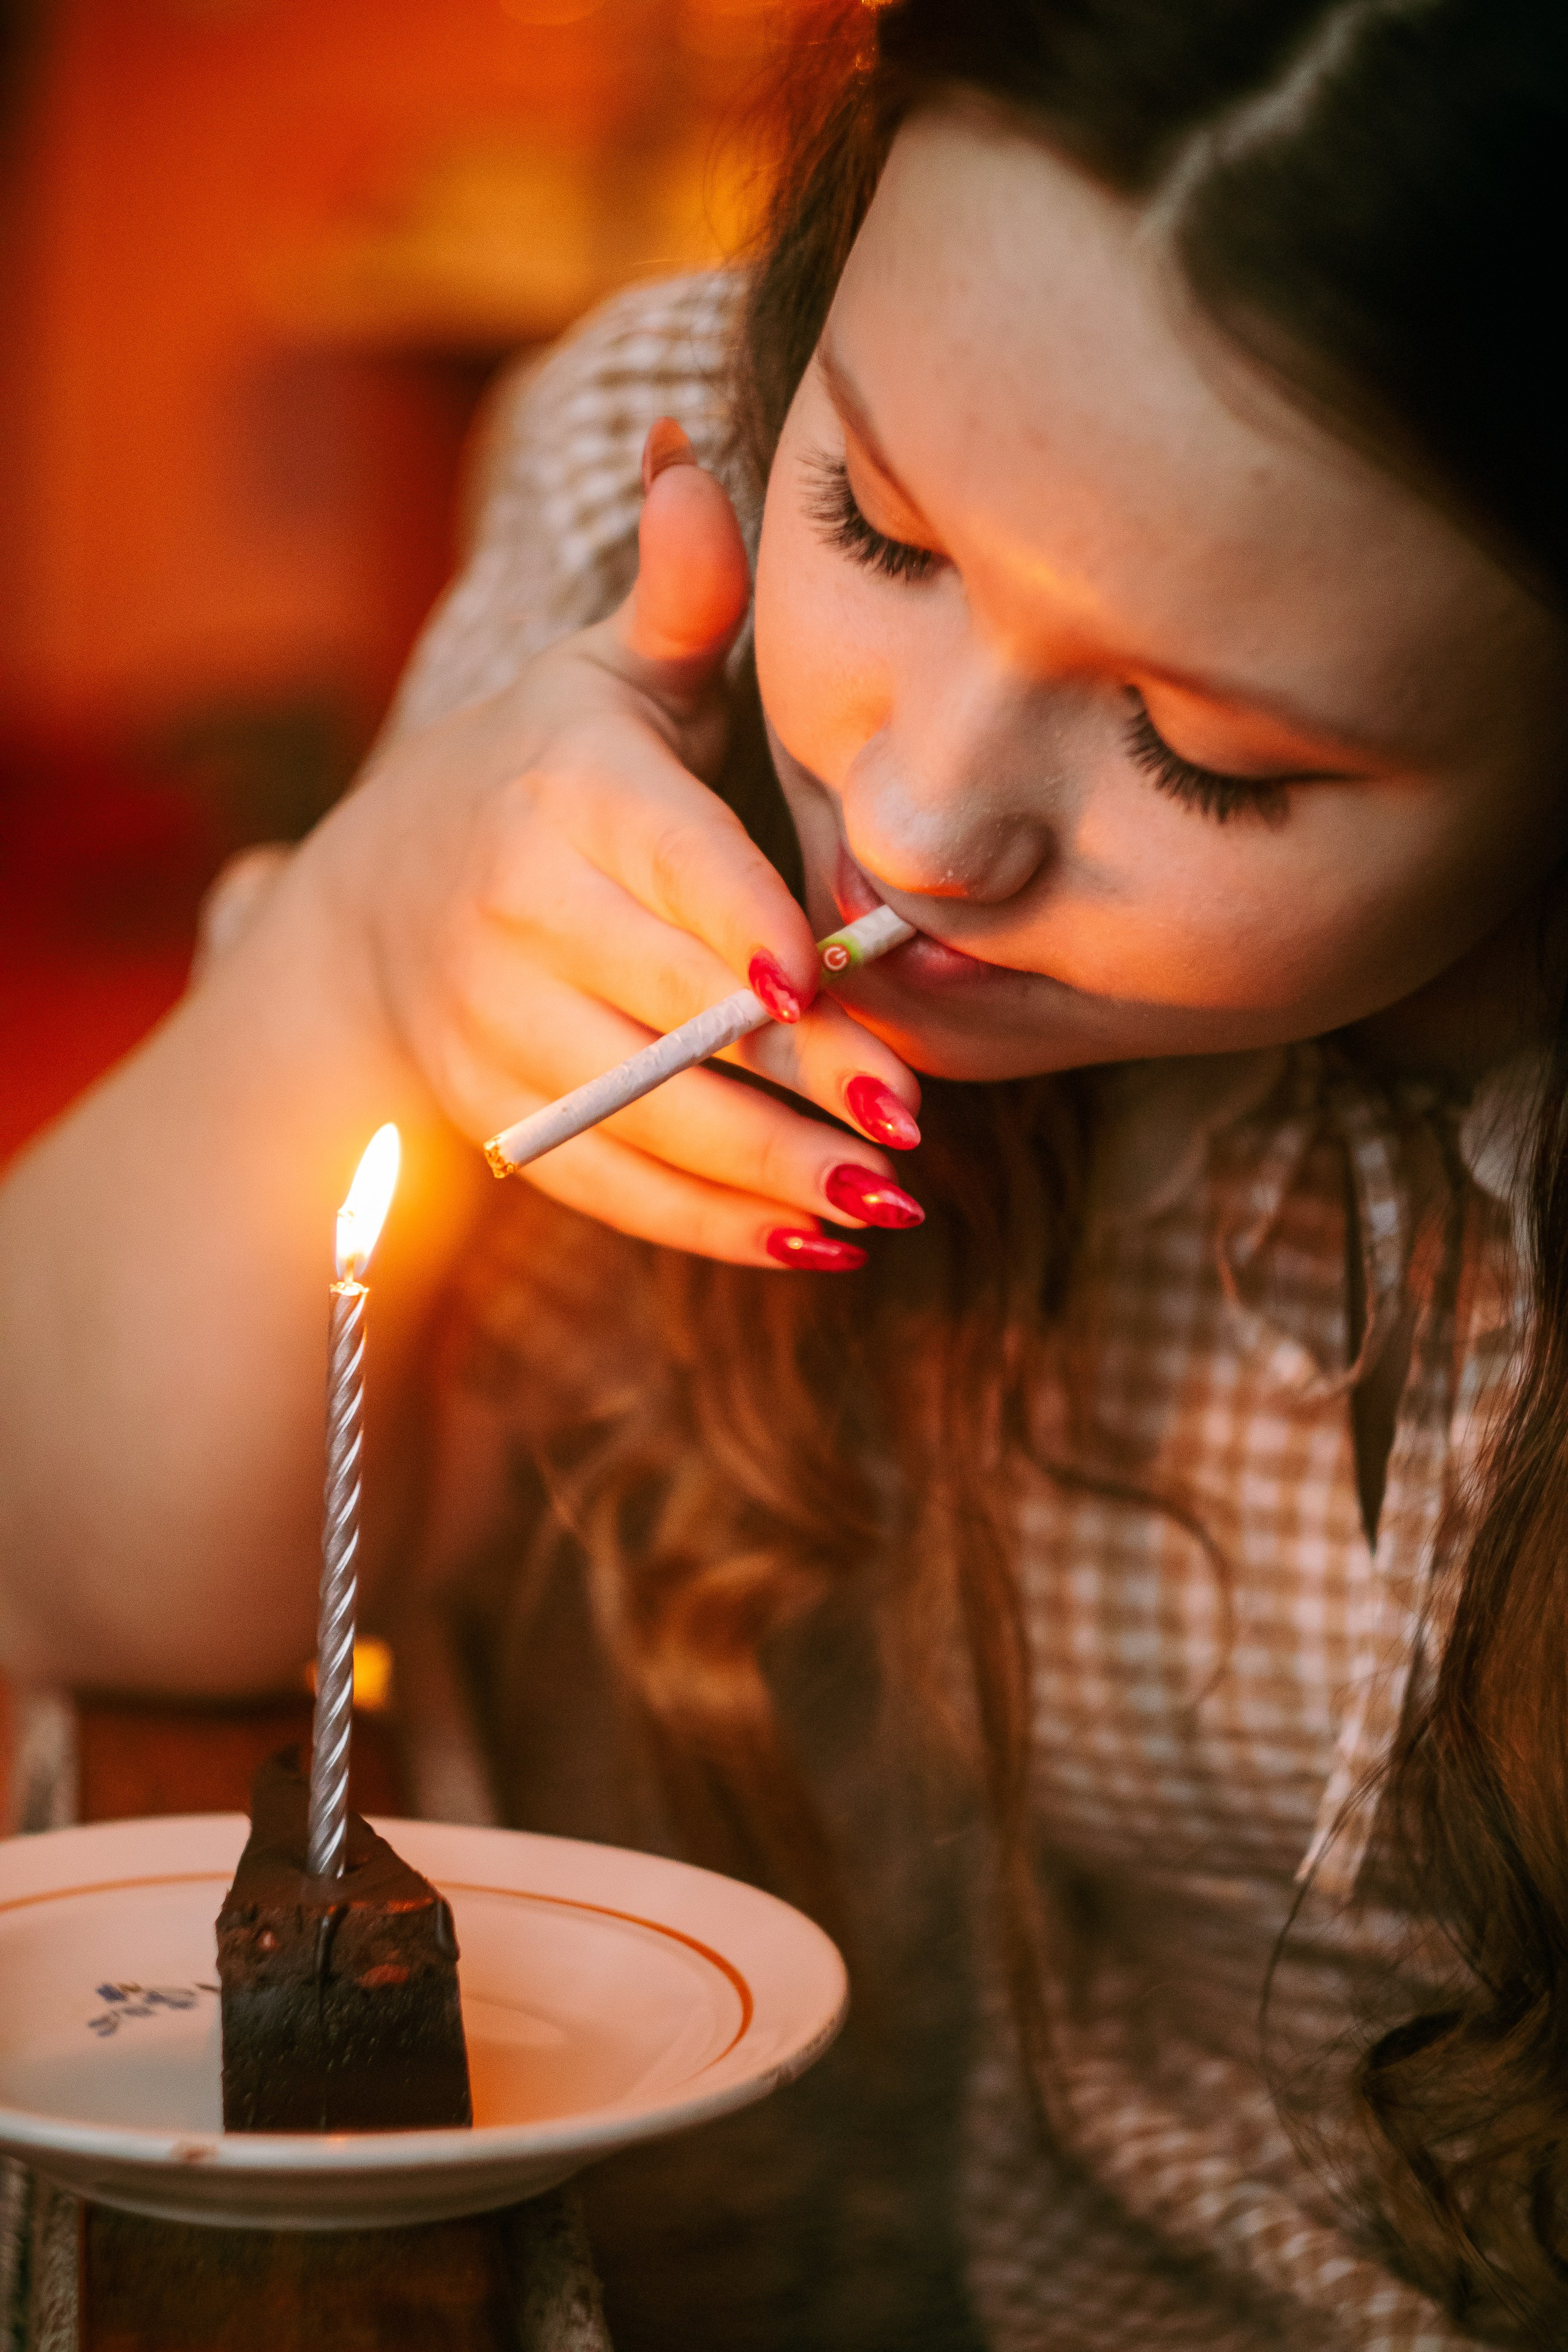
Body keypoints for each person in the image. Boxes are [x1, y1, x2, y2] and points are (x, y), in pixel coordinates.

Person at [2, 1, 1566, 2342]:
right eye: (885, 529)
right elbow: (91, 1573)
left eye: (1208, 753)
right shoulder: (669, 516)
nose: (913, 830)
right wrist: (362, 951)